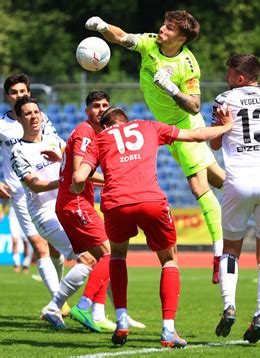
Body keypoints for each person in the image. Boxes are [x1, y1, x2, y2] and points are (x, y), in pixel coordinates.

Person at [73, 106, 233, 347]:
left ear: (106, 126)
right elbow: (196, 135)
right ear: (126, 120)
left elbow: (78, 178)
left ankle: (121, 320)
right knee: (169, 259)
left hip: (116, 203)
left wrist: (78, 187)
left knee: (117, 256)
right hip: (151, 200)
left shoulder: (100, 138)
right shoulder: (149, 126)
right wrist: (227, 127)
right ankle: (168, 330)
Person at [85, 10, 225, 284]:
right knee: (220, 180)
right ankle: (248, 197)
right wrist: (103, 27)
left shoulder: (188, 64)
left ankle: (220, 253)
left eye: (170, 28)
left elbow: (195, 105)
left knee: (198, 186)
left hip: (184, 126)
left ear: (181, 38)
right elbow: (123, 38)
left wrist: (172, 89)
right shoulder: (150, 43)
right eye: (164, 24)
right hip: (168, 128)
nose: (163, 29)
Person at [10, 96, 104, 330]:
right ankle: (55, 307)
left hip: (71, 207)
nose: (33, 116)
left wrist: (112, 180)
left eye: (36, 112)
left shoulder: (55, 140)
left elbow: (76, 169)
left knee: (105, 255)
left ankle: (101, 312)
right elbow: (35, 185)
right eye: (28, 113)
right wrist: (64, 181)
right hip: (46, 214)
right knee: (89, 259)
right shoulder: (18, 151)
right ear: (20, 119)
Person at [210, 55, 260, 343]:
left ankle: (229, 306)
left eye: (229, 73)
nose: (227, 78)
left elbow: (214, 143)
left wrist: (227, 127)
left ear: (240, 78)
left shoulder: (223, 99)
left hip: (238, 179)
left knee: (230, 251)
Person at [56, 90, 144, 332]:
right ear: (87, 111)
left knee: (96, 259)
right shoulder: (86, 132)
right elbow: (78, 174)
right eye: (96, 105)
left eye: (105, 105)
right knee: (110, 253)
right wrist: (113, 179)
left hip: (75, 202)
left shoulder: (97, 135)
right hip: (75, 202)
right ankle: (84, 306)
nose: (101, 109)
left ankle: (96, 312)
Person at [0, 73, 69, 312]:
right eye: (14, 92)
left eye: (23, 91)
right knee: (39, 246)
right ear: (7, 96)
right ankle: (59, 303)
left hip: (50, 185)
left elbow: (56, 146)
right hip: (21, 191)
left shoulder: (40, 118)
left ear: (29, 92)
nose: (19, 96)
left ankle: (60, 292)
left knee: (55, 249)